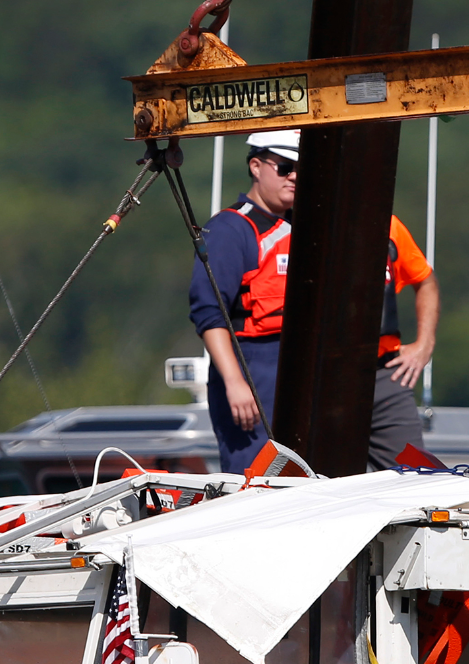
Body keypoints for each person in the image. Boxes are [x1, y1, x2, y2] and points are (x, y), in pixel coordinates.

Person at [187, 129, 440, 473]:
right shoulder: (232, 229)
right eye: (285, 167)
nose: (294, 176)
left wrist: (424, 344)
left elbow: (421, 281)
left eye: (301, 168)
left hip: (317, 366)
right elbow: (209, 313)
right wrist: (234, 381)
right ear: (257, 166)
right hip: (255, 365)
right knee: (258, 477)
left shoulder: (317, 226)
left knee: (332, 478)